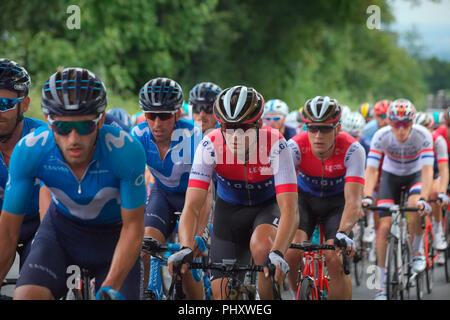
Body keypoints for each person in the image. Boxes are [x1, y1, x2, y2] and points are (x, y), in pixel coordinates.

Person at [0, 67, 146, 300]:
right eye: (63, 128)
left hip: (114, 238)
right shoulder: (30, 150)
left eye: (84, 127)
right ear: (48, 121)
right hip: (60, 234)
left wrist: (110, 285)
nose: (73, 140)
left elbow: (134, 228)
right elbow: (7, 233)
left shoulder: (126, 151)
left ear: (100, 121)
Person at [168, 85, 299, 300]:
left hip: (266, 208)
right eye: (227, 127)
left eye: (243, 128)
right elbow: (192, 206)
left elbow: (290, 210)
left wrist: (278, 252)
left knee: (263, 248)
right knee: (223, 295)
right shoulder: (209, 145)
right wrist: (184, 246)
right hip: (229, 213)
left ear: (258, 125)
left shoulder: (276, 144)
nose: (235, 135)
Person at [130, 77, 208, 299]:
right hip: (162, 195)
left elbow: (207, 192)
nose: (156, 123)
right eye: (150, 115)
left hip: (194, 198)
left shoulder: (193, 136)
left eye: (163, 116)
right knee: (145, 247)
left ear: (177, 114)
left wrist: (200, 233)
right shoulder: (138, 136)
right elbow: (127, 183)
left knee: (186, 261)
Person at [285, 96, 366, 300]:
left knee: (335, 257)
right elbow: (282, 193)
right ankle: (299, 294)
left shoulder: (353, 149)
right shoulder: (293, 147)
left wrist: (343, 232)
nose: (318, 135)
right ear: (305, 128)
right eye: (312, 128)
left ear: (337, 128)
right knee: (292, 253)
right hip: (305, 201)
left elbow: (354, 201)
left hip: (337, 204)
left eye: (325, 129)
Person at [363, 99, 434, 300]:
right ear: (389, 123)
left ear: (412, 123)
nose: (400, 130)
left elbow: (428, 170)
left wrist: (424, 199)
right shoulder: (381, 135)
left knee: (414, 204)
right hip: (390, 177)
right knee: (384, 228)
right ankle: (381, 287)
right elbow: (372, 169)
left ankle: (418, 250)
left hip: (415, 175)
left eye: (405, 125)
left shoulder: (423, 135)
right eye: (396, 124)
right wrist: (368, 194)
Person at [0, 59, 47, 281]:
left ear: (25, 104)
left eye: (5, 104)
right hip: (3, 222)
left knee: (35, 280)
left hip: (41, 222)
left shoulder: (45, 138)